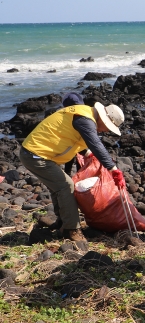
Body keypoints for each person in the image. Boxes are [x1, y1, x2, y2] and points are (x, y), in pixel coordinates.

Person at [20, 102, 126, 242]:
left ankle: (63, 223)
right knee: (66, 186)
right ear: (103, 118)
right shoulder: (85, 120)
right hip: (35, 155)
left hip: (40, 154)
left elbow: (72, 137)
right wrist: (113, 169)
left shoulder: (85, 115)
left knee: (58, 187)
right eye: (108, 127)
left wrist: (87, 153)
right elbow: (96, 144)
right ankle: (72, 230)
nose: (106, 131)